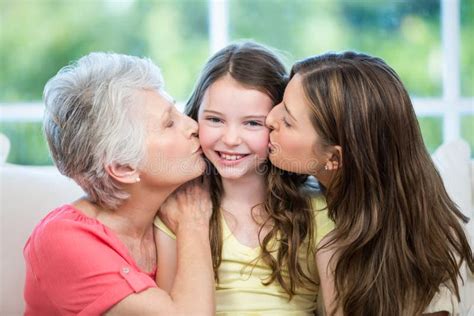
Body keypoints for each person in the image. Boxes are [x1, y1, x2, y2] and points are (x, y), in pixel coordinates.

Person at [265, 51, 474, 315]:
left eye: (287, 121)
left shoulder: (426, 253)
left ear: (333, 158)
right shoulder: (310, 197)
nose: (269, 119)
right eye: (280, 103)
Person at [23, 52, 215, 315]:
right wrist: (194, 223)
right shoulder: (62, 241)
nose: (193, 126)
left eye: (178, 112)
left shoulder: (165, 213)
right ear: (124, 168)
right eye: (169, 123)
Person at [154, 41, 336, 314]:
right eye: (215, 120)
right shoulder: (176, 208)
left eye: (252, 123)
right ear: (195, 118)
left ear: (278, 124)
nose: (230, 139)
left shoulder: (316, 209)